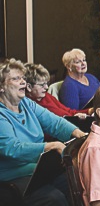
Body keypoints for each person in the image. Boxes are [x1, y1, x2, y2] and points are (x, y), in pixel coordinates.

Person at [0, 58, 86, 206]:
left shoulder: (26, 103)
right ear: (1, 86)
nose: (22, 82)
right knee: (54, 198)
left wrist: (81, 135)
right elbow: (11, 148)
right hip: (12, 175)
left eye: (22, 78)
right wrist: (50, 146)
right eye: (15, 79)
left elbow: (55, 123)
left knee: (77, 180)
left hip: (38, 169)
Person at [24, 62, 92, 118]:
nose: (46, 87)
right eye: (42, 85)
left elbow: (69, 112)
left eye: (47, 83)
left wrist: (89, 111)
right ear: (29, 87)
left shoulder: (46, 96)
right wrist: (73, 120)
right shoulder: (28, 106)